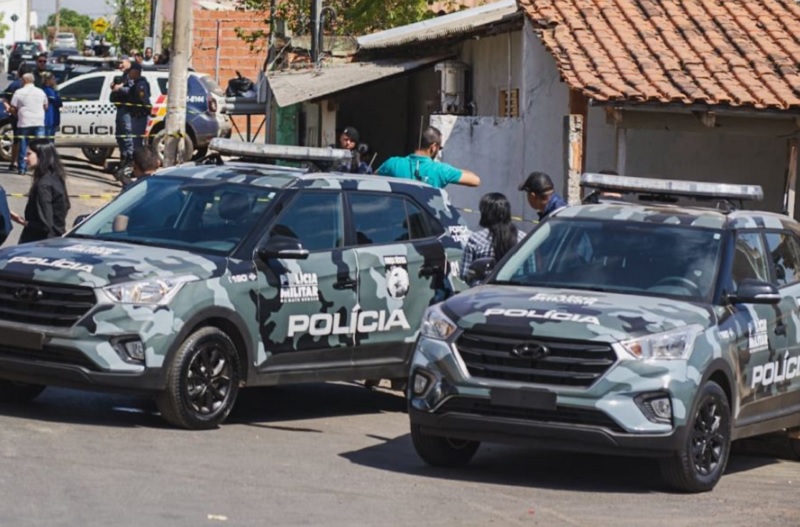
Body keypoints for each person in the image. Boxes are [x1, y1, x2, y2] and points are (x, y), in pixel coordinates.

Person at [376, 126, 480, 188]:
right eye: (439, 148)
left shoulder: (393, 163)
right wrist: (454, 171)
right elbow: (475, 181)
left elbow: (371, 181)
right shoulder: (441, 170)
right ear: (433, 147)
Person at [10, 139, 70, 243]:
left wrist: (23, 222)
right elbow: (66, 205)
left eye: (29, 154)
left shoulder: (43, 185)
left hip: (40, 242)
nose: (25, 158)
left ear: (41, 155)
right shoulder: (56, 177)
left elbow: (45, 224)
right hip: (56, 239)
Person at [460, 192, 525, 285]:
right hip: (517, 290)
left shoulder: (476, 239)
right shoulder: (524, 238)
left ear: (485, 213)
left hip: (483, 291)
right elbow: (532, 270)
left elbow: (464, 275)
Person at [110, 61, 152, 179]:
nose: (129, 73)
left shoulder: (140, 83)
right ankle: (127, 163)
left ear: (136, 72)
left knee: (133, 142)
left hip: (137, 115)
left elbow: (141, 98)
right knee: (125, 138)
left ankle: (133, 167)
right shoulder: (131, 81)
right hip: (130, 113)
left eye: (131, 71)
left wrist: (120, 89)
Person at [10, 73, 48, 174]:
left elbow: (13, 107)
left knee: (23, 145)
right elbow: (46, 106)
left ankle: (22, 168)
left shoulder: (19, 92)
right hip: (39, 122)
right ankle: (40, 167)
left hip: (24, 122)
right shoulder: (41, 92)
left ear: (24, 81)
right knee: (39, 146)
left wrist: (17, 115)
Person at [2, 64, 26, 172]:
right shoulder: (32, 87)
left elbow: (5, 98)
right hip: (27, 117)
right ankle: (23, 163)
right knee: (25, 140)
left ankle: (13, 163)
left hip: (15, 116)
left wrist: (8, 108)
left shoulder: (14, 84)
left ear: (19, 73)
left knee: (16, 139)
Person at [42, 73, 62, 143]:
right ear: (48, 80)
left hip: (53, 119)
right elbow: (57, 101)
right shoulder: (48, 90)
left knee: (50, 139)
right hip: (49, 119)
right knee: (48, 141)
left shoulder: (51, 90)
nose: (54, 81)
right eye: (53, 79)